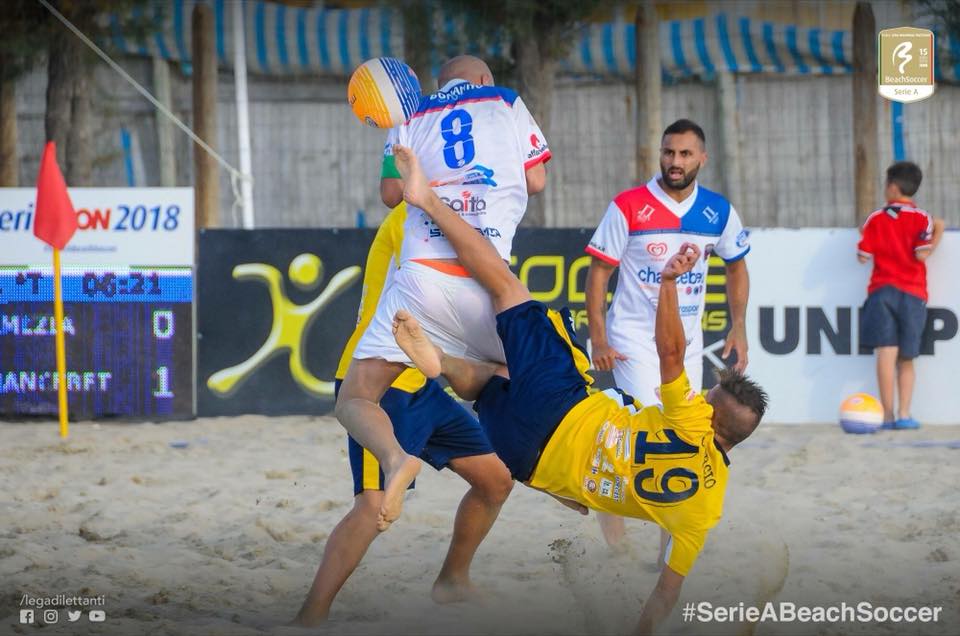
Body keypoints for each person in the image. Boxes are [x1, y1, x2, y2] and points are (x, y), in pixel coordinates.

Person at [389, 143, 768, 635]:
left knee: (507, 288)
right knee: (489, 382)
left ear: (715, 420)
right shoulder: (705, 511)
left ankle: (428, 201)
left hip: (563, 406)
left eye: (710, 398)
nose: (703, 397)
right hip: (525, 461)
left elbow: (671, 352)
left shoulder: (691, 419)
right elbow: (666, 593)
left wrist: (670, 282)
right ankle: (440, 365)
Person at [337, 54, 550, 531]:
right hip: (489, 279)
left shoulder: (409, 114)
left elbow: (392, 195)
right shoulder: (505, 101)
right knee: (517, 379)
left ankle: (395, 458)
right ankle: (555, 473)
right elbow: (536, 180)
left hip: (423, 284)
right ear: (481, 80)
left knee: (354, 398)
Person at [292, 203, 513, 626]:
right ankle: (309, 617)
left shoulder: (448, 217)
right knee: (372, 509)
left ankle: (453, 580)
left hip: (422, 385)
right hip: (383, 383)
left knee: (495, 480)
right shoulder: (415, 221)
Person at [584, 118, 751, 549]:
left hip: (686, 346)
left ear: (702, 158)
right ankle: (617, 549)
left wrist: (739, 327)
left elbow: (737, 267)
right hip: (634, 342)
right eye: (668, 153)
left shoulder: (719, 211)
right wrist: (599, 339)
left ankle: (665, 549)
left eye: (684, 154)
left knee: (686, 441)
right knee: (638, 434)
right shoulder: (628, 205)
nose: (674, 162)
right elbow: (599, 273)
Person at [857, 161, 944, 429]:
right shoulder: (922, 218)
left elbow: (862, 257)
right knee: (907, 357)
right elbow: (922, 253)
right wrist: (939, 231)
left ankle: (887, 415)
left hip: (882, 290)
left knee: (886, 352)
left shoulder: (875, 219)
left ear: (892, 187)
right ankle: (905, 414)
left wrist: (867, 235)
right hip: (913, 293)